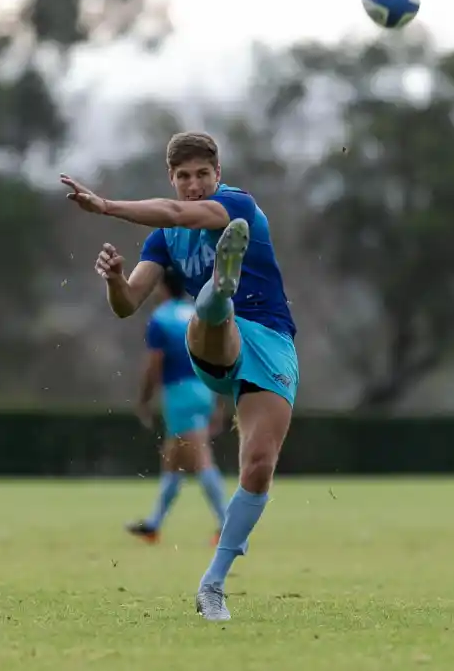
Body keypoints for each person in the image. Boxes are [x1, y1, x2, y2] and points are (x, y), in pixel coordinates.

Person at [60, 131, 298, 622]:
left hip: (272, 340)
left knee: (258, 465)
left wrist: (105, 206)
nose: (193, 185)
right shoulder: (162, 240)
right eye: (183, 177)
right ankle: (217, 291)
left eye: (202, 175)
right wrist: (113, 281)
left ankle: (213, 585)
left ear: (218, 173)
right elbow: (128, 305)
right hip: (215, 342)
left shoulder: (235, 205)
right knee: (213, 313)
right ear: (172, 177)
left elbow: (174, 212)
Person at [124, 265, 228, 544]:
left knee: (200, 459)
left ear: (162, 287)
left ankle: (228, 524)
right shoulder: (197, 314)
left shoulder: (160, 318)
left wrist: (144, 399)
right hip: (204, 388)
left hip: (179, 393)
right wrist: (218, 402)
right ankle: (154, 524)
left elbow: (154, 363)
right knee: (173, 462)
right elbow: (216, 355)